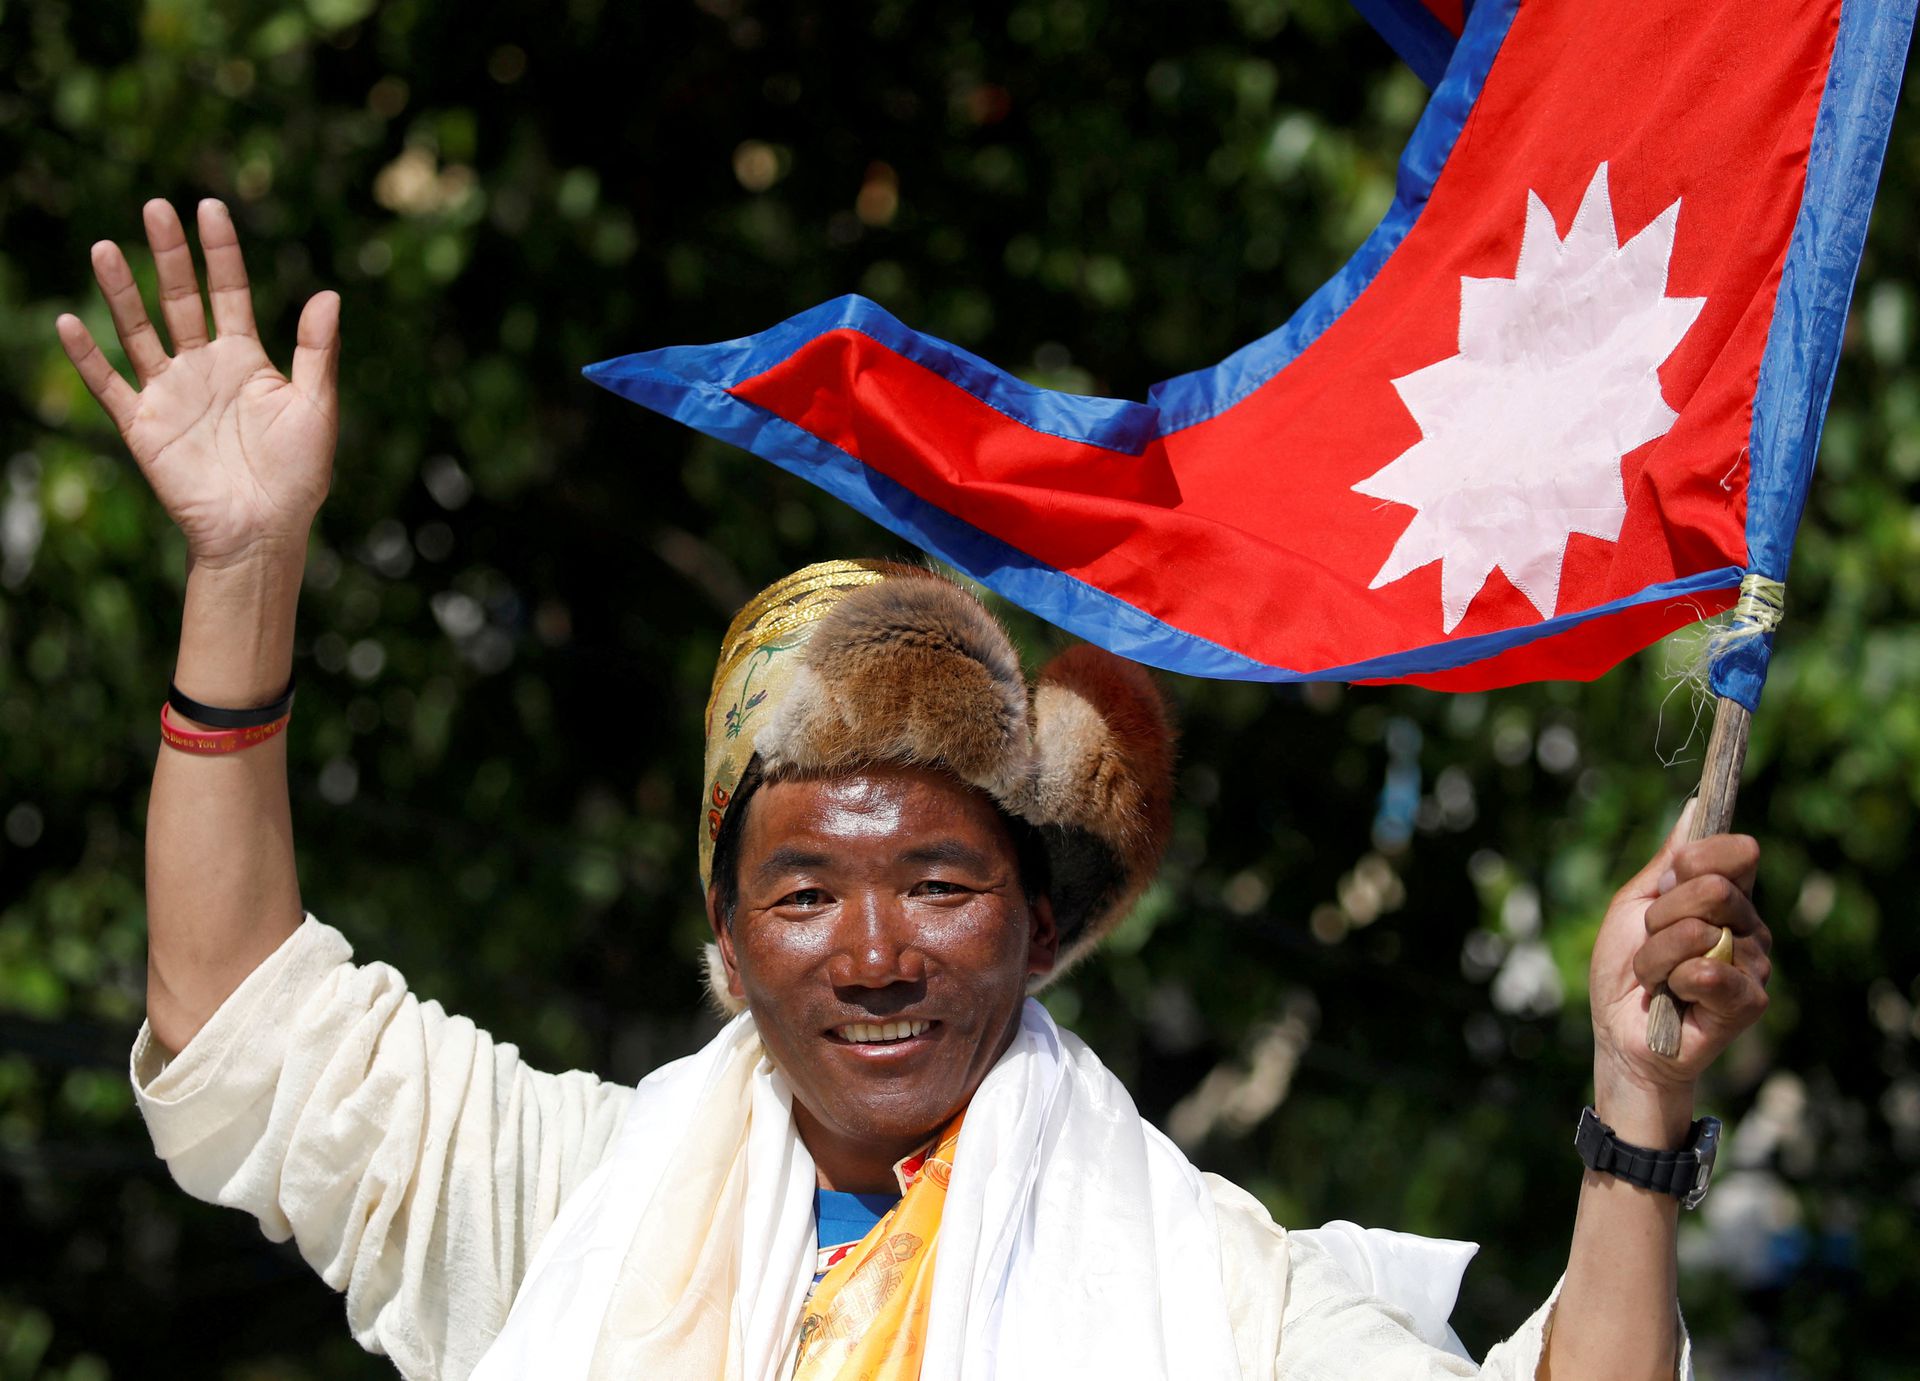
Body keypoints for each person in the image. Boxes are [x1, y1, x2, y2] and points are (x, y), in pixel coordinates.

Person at [59, 200, 1774, 1380]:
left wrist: (1636, 1104)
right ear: (727, 935)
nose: (874, 949)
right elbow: (238, 1022)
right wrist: (246, 568)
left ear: (1040, 921)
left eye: (939, 884)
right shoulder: (569, 1197)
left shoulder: (1206, 1292)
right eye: (805, 891)